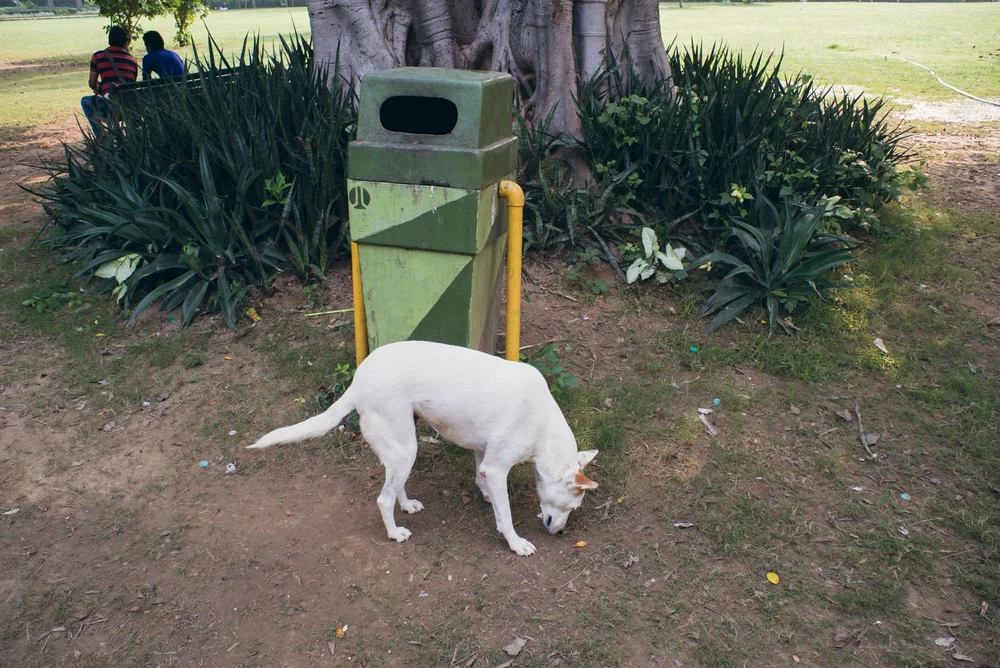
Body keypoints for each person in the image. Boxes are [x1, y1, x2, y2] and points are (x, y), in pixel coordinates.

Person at [81, 26, 138, 138]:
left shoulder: (98, 56)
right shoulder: (133, 60)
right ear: (126, 42)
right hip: (129, 107)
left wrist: (100, 87)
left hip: (109, 106)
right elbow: (131, 85)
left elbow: (92, 84)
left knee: (85, 101)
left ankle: (100, 136)